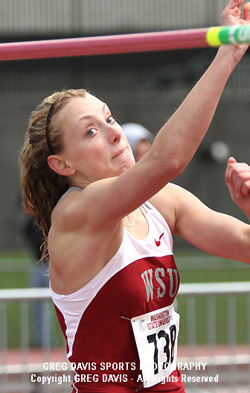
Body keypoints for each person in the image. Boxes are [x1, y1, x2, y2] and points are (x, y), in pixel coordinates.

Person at [19, 1, 250, 391]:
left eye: (109, 119)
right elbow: (167, 159)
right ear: (63, 165)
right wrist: (228, 56)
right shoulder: (76, 212)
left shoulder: (162, 202)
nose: (114, 132)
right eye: (90, 131)